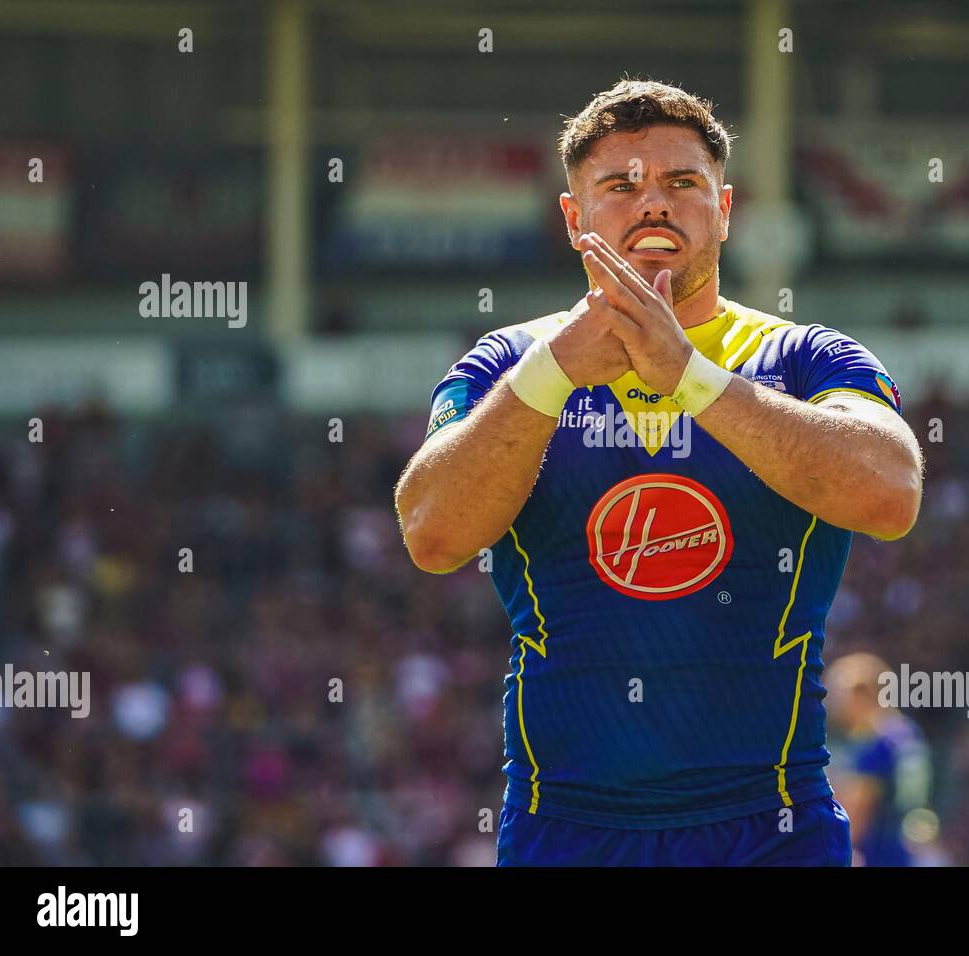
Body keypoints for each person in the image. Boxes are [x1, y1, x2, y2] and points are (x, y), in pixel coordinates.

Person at [395, 78, 924, 866]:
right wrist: (557, 371)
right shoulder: (511, 363)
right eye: (620, 186)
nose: (653, 205)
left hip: (772, 827)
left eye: (682, 183)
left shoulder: (804, 357)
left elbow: (891, 492)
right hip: (563, 828)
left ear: (725, 208)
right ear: (574, 218)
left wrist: (690, 377)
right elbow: (431, 532)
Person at [826, 653, 932, 866]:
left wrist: (840, 851)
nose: (832, 703)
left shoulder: (876, 742)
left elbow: (859, 807)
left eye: (838, 693)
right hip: (907, 848)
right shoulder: (907, 732)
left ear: (862, 693)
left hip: (876, 853)